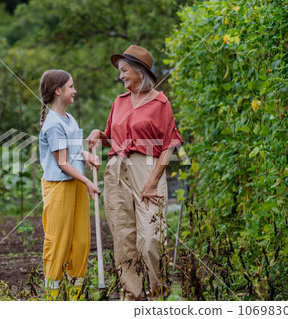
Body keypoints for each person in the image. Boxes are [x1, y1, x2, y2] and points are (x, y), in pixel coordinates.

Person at [86, 45, 184, 300]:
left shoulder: (161, 102)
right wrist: (99, 134)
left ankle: (157, 294)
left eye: (124, 70)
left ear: (141, 72)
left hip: (147, 169)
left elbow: (170, 145)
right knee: (123, 235)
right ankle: (131, 294)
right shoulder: (118, 103)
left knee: (151, 236)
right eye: (120, 71)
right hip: (117, 170)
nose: (121, 76)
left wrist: (152, 182)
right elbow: (111, 139)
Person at [38, 70, 101, 300]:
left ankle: (74, 299)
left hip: (75, 185)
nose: (75, 91)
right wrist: (87, 183)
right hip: (59, 187)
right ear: (58, 91)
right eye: (71, 86)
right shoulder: (53, 124)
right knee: (59, 242)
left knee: (81, 241)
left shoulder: (69, 119)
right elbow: (62, 162)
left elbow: (72, 153)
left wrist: (86, 155)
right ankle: (53, 301)